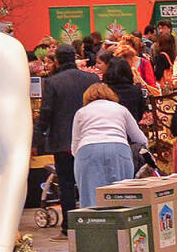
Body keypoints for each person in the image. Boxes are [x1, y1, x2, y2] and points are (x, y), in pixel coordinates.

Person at [34, 44, 95, 235]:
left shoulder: (53, 82)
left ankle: (69, 225)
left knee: (66, 183)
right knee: (90, 181)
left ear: (58, 61)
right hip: (88, 138)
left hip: (63, 142)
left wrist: (36, 140)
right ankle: (92, 218)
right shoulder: (91, 78)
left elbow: (46, 113)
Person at [71, 84, 149, 208]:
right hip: (118, 149)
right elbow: (139, 138)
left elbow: (75, 143)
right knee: (121, 197)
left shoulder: (81, 112)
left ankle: (92, 224)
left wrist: (80, 158)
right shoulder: (121, 109)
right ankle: (121, 225)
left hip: (88, 150)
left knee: (90, 198)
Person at [102, 56, 148, 122]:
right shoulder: (136, 90)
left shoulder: (104, 90)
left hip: (111, 126)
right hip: (131, 127)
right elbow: (140, 114)